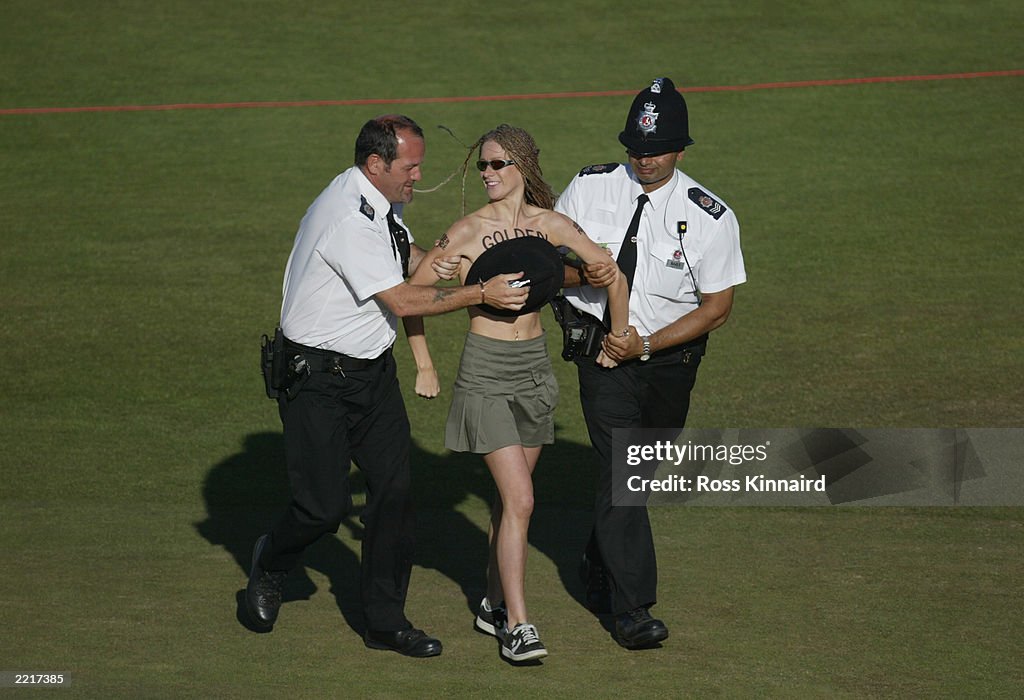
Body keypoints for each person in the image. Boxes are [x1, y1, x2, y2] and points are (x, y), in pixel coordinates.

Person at [245, 115, 531, 658]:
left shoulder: (380, 199)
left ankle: (384, 621)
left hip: (371, 374)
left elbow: (400, 255)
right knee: (322, 509)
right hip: (315, 380)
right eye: (411, 166)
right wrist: (481, 294)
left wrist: (439, 263)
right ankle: (272, 561)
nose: (419, 176)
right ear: (375, 164)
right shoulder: (346, 218)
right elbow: (401, 301)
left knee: (394, 498)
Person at [404, 124, 630, 662]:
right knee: (523, 500)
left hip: (534, 371)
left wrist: (616, 339)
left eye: (498, 164)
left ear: (522, 168)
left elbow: (611, 274)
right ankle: (518, 626)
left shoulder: (551, 226)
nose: (488, 174)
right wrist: (424, 363)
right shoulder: (465, 232)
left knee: (512, 504)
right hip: (484, 372)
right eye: (482, 165)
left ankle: (489, 601)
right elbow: (411, 296)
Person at [554, 78, 747, 649]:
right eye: (636, 148)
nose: (644, 159)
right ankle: (632, 607)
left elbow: (717, 308)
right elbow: (548, 261)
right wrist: (579, 277)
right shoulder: (589, 189)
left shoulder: (710, 216)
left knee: (638, 471)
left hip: (669, 363)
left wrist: (644, 345)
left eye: (657, 149)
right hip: (599, 351)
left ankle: (598, 556)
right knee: (625, 473)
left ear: (681, 149)